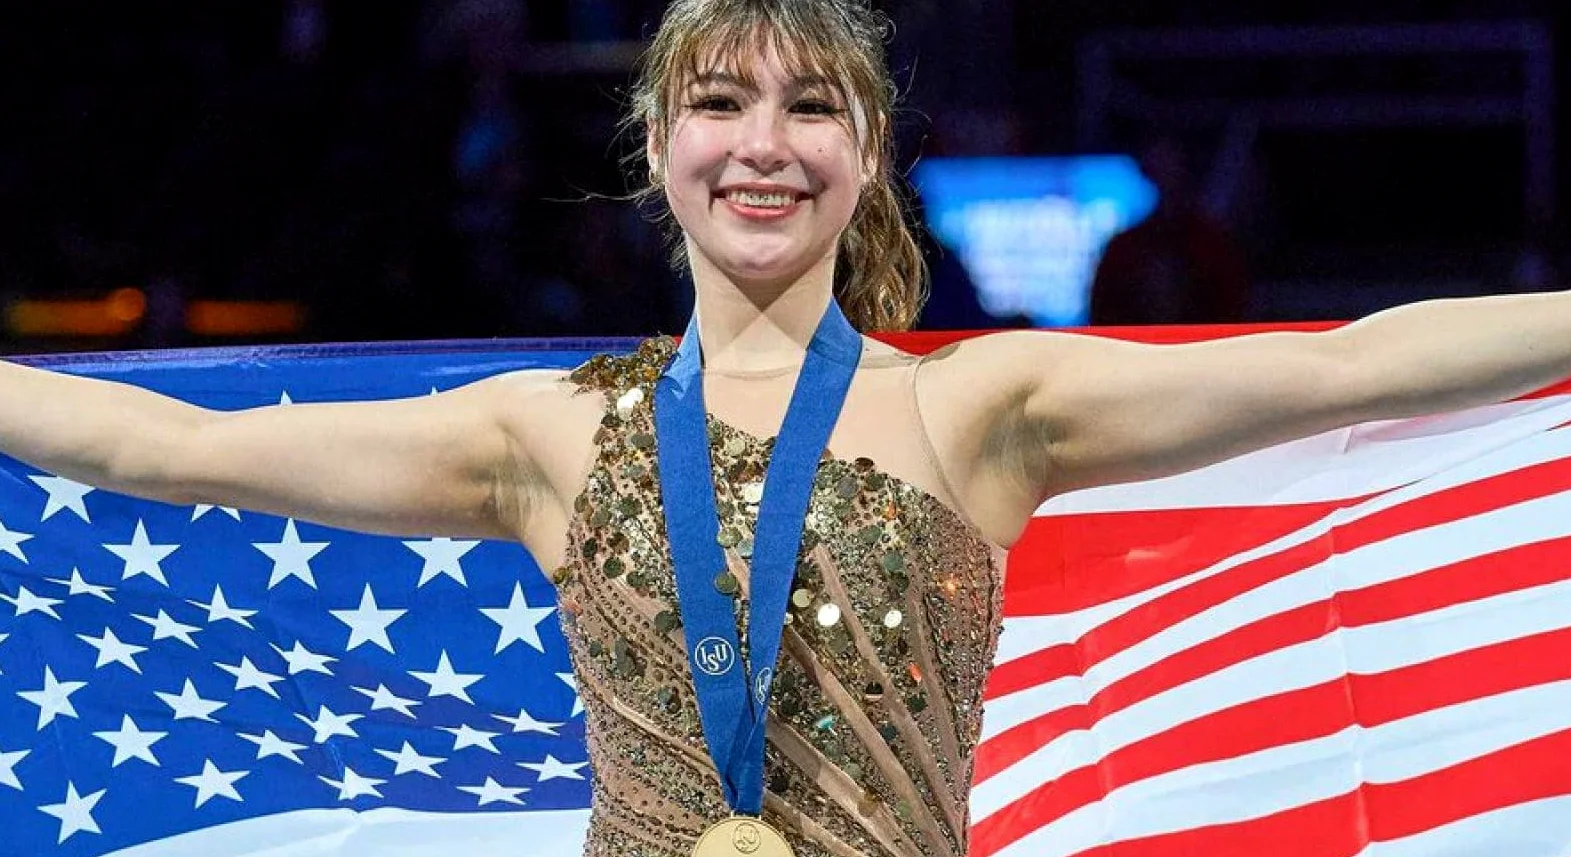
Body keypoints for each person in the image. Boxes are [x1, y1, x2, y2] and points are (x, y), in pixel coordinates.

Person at [3, 1, 1571, 855]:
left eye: (810, 104)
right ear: (657, 141)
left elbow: (1356, 363)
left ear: (869, 149)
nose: (765, 145)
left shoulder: (984, 407)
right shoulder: (539, 435)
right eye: (721, 102)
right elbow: (149, 448)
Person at [1090, 134, 1251, 326]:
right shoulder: (1123, 249)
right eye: (1160, 166)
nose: (1168, 174)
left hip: (1205, 349)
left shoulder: (1213, 245)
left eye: (1173, 164)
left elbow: (1235, 310)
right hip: (1137, 351)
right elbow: (1103, 316)